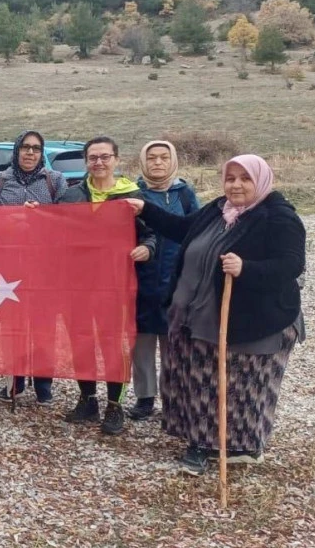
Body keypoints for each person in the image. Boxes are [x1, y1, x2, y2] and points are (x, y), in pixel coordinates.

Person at [124, 154, 304, 476]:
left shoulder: (278, 216)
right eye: (230, 177)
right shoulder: (218, 209)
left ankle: (231, 446)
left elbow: (291, 265)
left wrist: (246, 269)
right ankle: (200, 438)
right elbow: (182, 229)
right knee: (199, 380)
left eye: (244, 178)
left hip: (252, 323)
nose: (236, 185)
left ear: (261, 180)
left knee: (238, 387)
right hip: (200, 315)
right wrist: (146, 209)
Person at [57, 137, 155, 435]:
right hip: (77, 283)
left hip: (115, 283)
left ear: (115, 159)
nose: (98, 162)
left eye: (104, 157)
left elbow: (151, 234)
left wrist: (147, 248)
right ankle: (87, 399)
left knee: (114, 343)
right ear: (86, 161)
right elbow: (53, 232)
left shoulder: (132, 196)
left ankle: (114, 406)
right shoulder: (71, 196)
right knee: (81, 341)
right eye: (92, 157)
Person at [0, 130, 67, 405]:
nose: (30, 153)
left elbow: (67, 221)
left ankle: (44, 382)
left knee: (44, 327)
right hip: (9, 266)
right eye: (26, 148)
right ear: (17, 150)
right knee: (13, 326)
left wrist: (42, 218)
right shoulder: (0, 181)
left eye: (36, 148)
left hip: (45, 267)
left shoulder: (55, 181)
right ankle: (15, 380)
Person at [131, 140, 199, 421]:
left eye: (163, 157)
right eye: (152, 158)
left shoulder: (185, 194)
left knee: (173, 344)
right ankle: (145, 398)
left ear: (172, 161)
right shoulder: (134, 193)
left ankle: (173, 401)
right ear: (143, 162)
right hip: (141, 278)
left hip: (176, 278)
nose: (157, 163)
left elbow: (196, 232)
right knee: (142, 343)